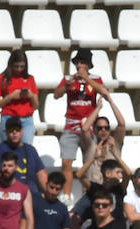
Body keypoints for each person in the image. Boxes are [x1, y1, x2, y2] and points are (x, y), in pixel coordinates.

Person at [53, 48, 108, 186]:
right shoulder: (68, 79)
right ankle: (66, 197)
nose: (79, 65)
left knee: (91, 162)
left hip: (89, 127)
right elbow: (56, 95)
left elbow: (104, 91)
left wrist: (86, 78)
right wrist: (68, 84)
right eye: (77, 62)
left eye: (82, 62)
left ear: (88, 65)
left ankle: (92, 193)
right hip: (71, 125)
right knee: (66, 162)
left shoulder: (95, 78)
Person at [0, 117, 46, 195]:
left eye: (17, 129)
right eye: (11, 130)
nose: (14, 132)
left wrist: (48, 193)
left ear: (22, 131)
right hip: (10, 195)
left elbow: (41, 174)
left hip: (32, 194)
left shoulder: (31, 150)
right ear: (6, 132)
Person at [0, 48, 38, 141]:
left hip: (26, 120)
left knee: (26, 151)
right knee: (8, 152)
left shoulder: (30, 79)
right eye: (16, 66)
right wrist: (10, 97)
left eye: (22, 66)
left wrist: (31, 95)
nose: (19, 69)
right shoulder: (1, 78)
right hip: (8, 118)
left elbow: (36, 106)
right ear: (11, 64)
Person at [75, 108, 127, 190]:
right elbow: (85, 128)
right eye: (99, 128)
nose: (103, 130)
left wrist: (110, 100)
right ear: (94, 130)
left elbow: (122, 124)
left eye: (106, 128)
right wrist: (98, 107)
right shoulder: (90, 147)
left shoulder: (114, 145)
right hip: (92, 191)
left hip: (111, 190)